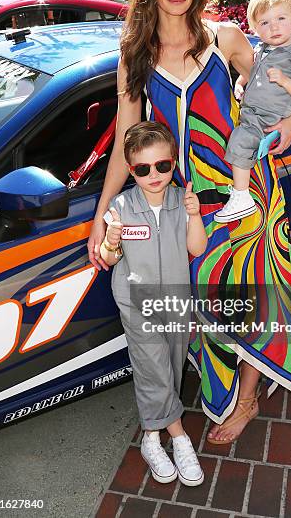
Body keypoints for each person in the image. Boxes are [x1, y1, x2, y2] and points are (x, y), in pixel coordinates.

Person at [88, 0, 291, 446]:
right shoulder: (135, 57)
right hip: (185, 205)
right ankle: (226, 390)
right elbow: (125, 143)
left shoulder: (225, 39)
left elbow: (270, 86)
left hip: (244, 189)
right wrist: (101, 216)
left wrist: (290, 113)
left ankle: (248, 396)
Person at [100, 121, 208, 486]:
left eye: (163, 166)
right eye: (143, 169)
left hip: (176, 299)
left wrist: (194, 215)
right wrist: (111, 240)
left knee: (173, 368)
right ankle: (178, 436)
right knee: (154, 369)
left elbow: (197, 249)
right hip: (136, 302)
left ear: (173, 163)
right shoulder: (122, 205)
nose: (154, 175)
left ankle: (150, 437)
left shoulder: (181, 200)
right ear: (131, 170)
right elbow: (110, 257)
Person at [214, 0, 291, 223]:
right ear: (254, 28)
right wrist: (241, 82)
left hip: (270, 116)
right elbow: (253, 72)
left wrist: (284, 80)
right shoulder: (262, 49)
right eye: (264, 23)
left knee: (241, 141)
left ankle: (242, 197)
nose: (273, 27)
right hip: (254, 110)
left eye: (280, 19)